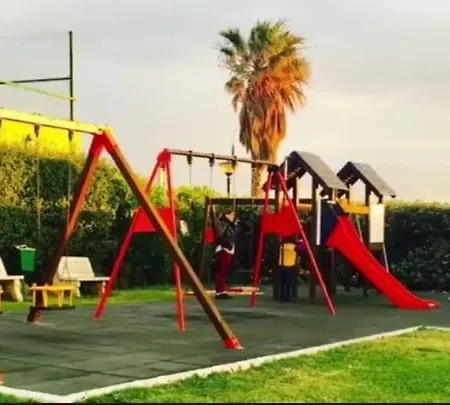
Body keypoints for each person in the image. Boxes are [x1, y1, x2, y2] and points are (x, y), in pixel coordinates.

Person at [214, 208, 238, 299]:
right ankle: (219, 291)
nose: (233, 217)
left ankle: (221, 290)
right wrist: (228, 245)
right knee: (222, 270)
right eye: (232, 215)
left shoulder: (228, 224)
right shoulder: (224, 223)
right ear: (226, 215)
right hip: (224, 249)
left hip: (227, 249)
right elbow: (220, 236)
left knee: (224, 271)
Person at [278, 235, 306, 301]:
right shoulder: (294, 247)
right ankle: (288, 296)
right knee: (288, 282)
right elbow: (303, 247)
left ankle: (282, 296)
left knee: (282, 282)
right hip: (290, 265)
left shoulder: (282, 246)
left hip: (282, 265)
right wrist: (302, 241)